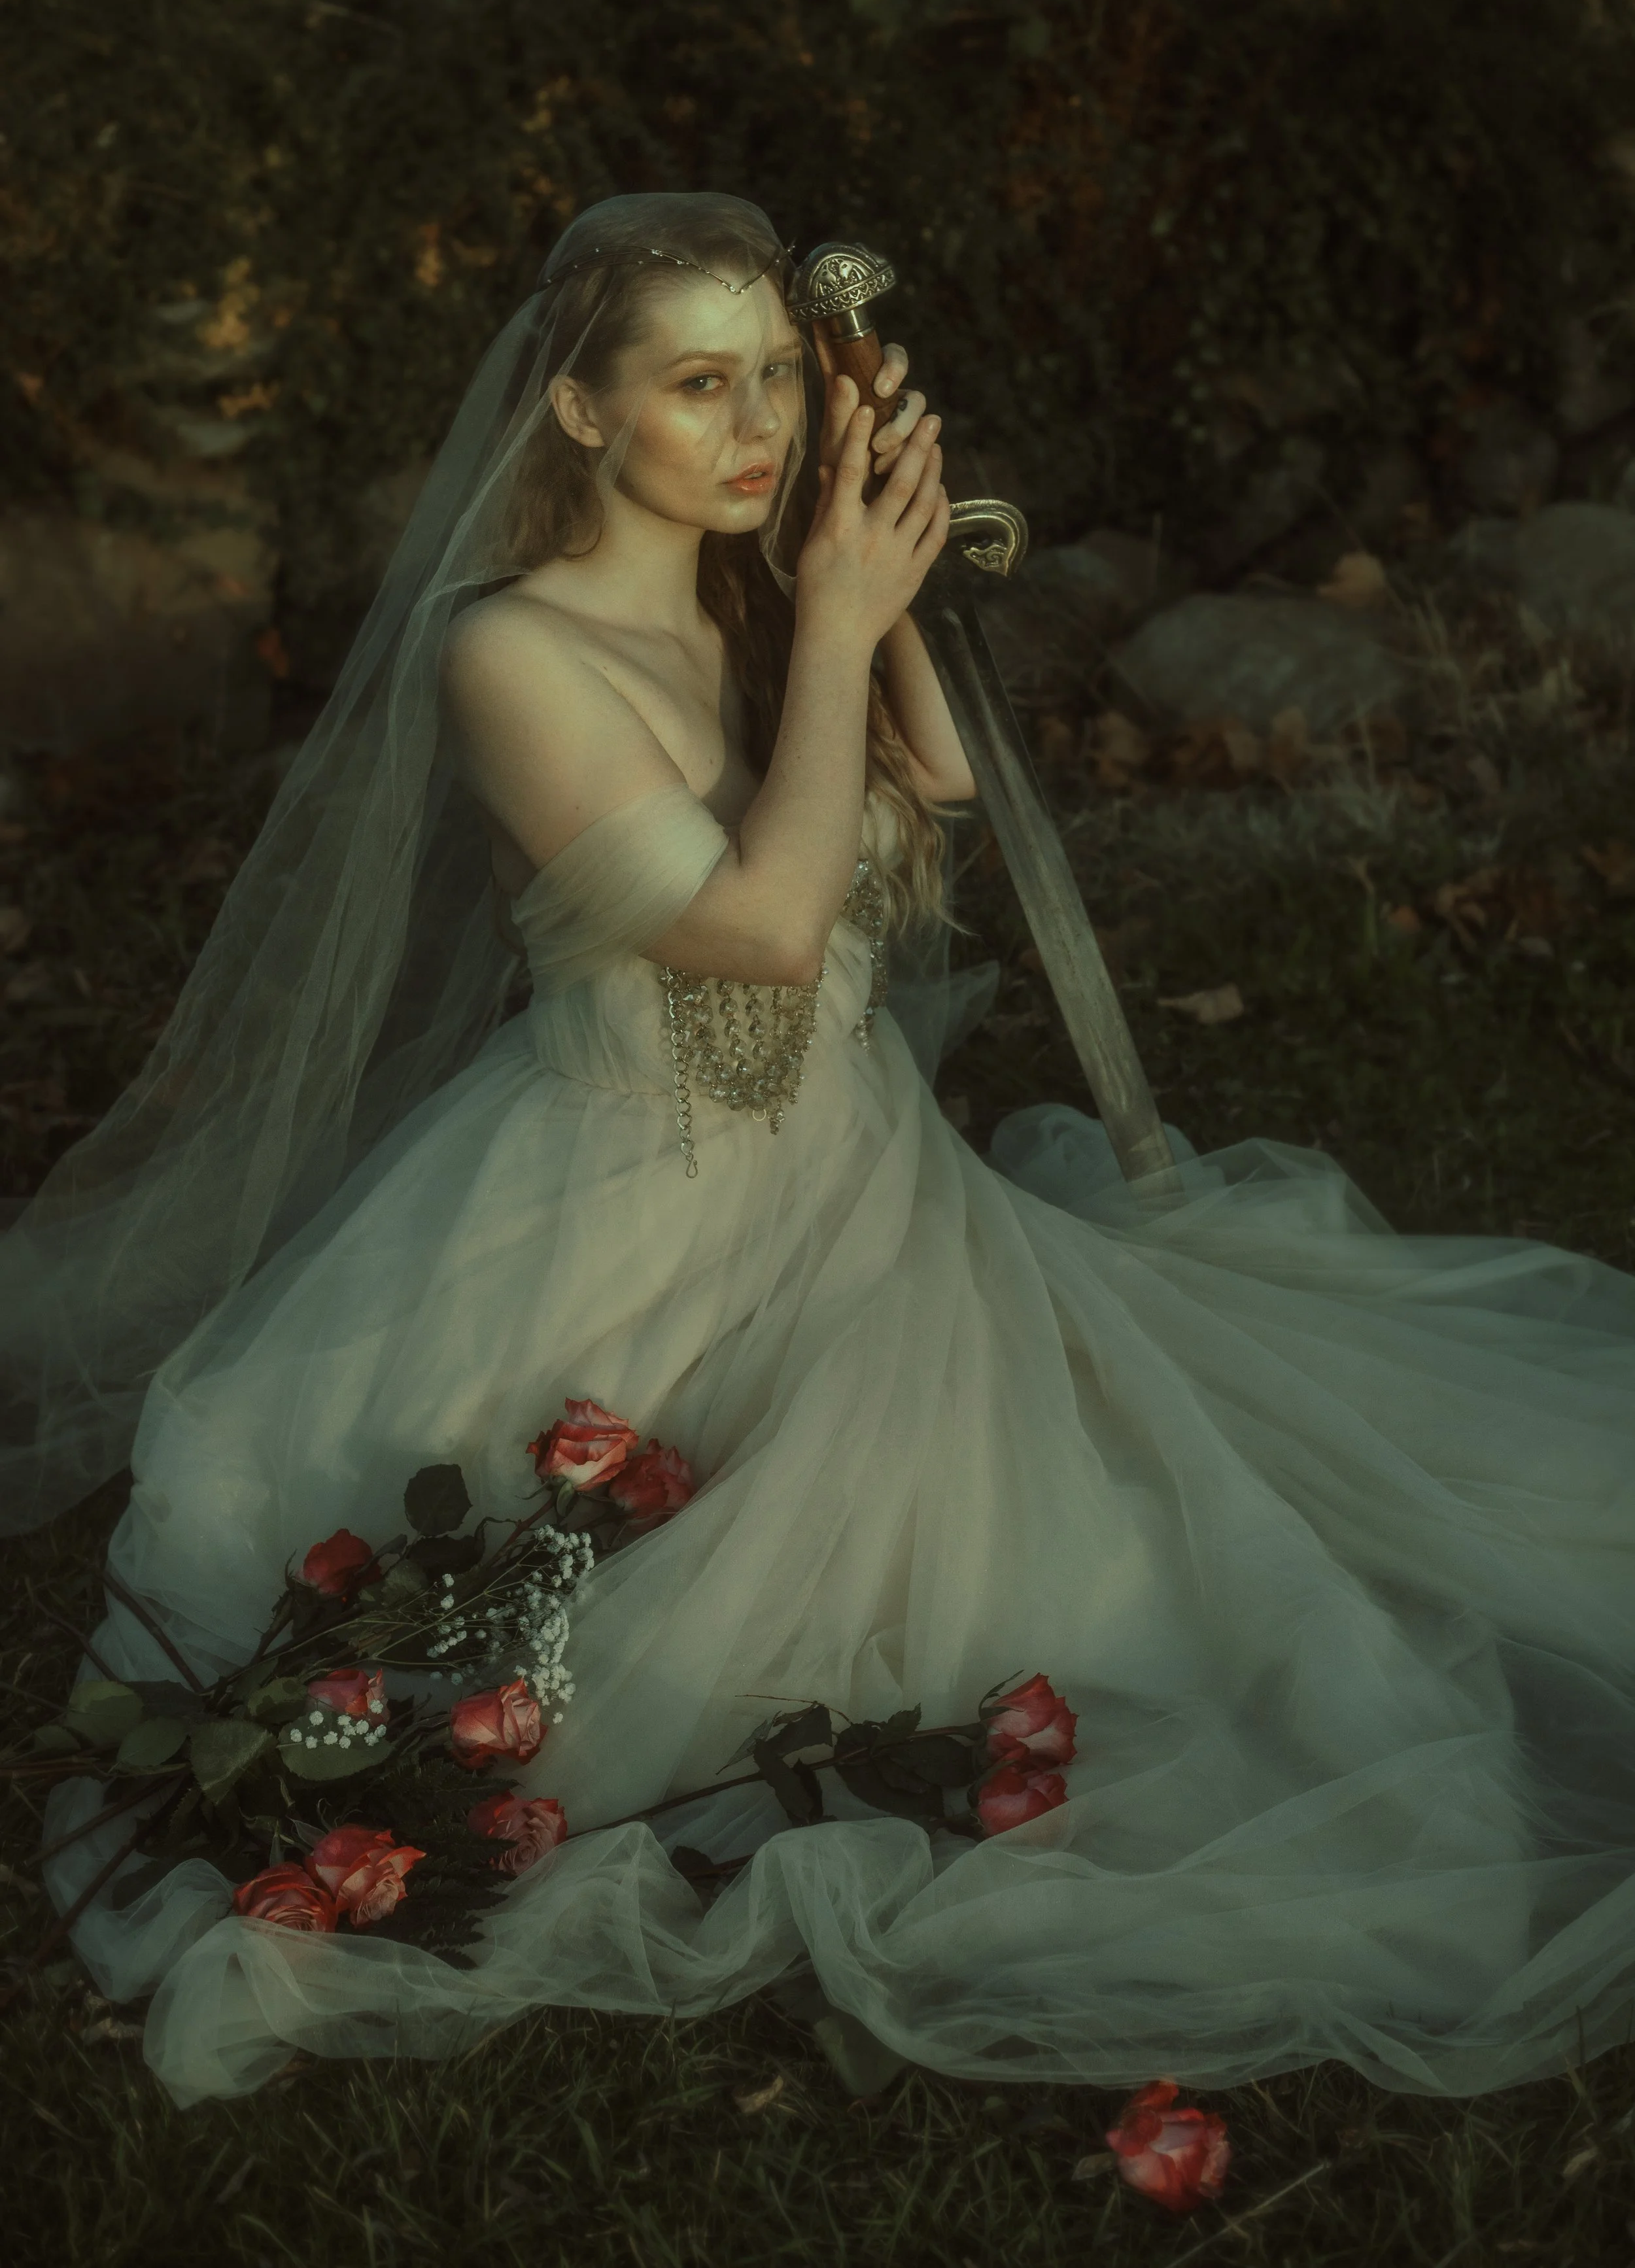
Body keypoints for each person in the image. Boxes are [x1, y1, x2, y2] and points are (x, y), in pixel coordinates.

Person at [6, 194, 1635, 2108]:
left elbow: (930, 780)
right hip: (620, 1210)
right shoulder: (508, 651)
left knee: (1178, 1539)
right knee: (651, 1624)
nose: (753, 420)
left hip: (857, 1182)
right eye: (699, 384)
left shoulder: (750, 593)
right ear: (576, 413)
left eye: (777, 373)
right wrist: (841, 615)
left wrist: (864, 572)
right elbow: (765, 929)